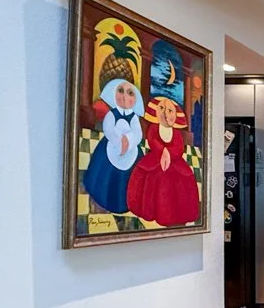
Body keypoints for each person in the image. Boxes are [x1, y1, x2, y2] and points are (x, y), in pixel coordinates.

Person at [126, 96, 200, 226]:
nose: (166, 114)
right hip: (155, 159)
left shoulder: (176, 133)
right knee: (152, 177)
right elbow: (152, 141)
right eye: (162, 108)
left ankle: (175, 213)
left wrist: (169, 154)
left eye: (170, 111)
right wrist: (163, 151)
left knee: (180, 181)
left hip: (175, 161)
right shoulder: (154, 128)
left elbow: (179, 147)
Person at [83, 77, 144, 214]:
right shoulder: (111, 114)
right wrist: (118, 142)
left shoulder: (134, 118)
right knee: (105, 175)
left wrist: (128, 141)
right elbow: (108, 129)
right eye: (120, 91)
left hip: (131, 151)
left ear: (135, 99)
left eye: (130, 93)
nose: (124, 96)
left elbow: (138, 134)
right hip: (112, 147)